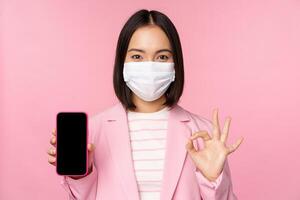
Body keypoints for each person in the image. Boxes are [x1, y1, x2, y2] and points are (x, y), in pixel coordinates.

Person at [47, 9, 243, 200]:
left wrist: (213, 180)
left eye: (162, 57)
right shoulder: (93, 133)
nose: (149, 65)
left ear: (176, 65)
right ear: (122, 63)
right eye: (137, 56)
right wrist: (81, 175)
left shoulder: (204, 134)